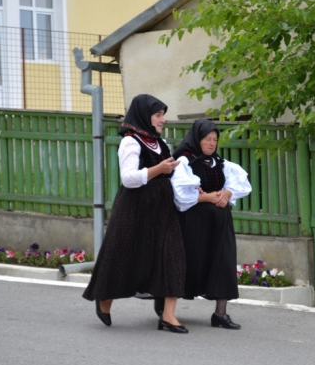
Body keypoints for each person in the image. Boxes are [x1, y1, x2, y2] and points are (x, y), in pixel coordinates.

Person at [82, 94, 189, 334]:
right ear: (144, 116)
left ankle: (168, 316)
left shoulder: (160, 144)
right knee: (122, 256)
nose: (163, 120)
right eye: (158, 115)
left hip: (162, 209)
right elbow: (128, 179)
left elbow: (165, 173)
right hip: (134, 208)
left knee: (173, 255)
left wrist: (174, 173)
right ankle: (105, 298)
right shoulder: (130, 142)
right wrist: (158, 169)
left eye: (163, 115)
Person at [167, 119, 252, 329]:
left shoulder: (220, 163)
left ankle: (220, 314)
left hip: (221, 223)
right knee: (190, 262)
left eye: (215, 139)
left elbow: (240, 183)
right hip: (195, 223)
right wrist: (208, 198)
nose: (212, 143)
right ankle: (166, 310)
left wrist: (227, 192)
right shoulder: (185, 162)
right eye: (207, 139)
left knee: (223, 262)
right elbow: (180, 195)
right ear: (197, 139)